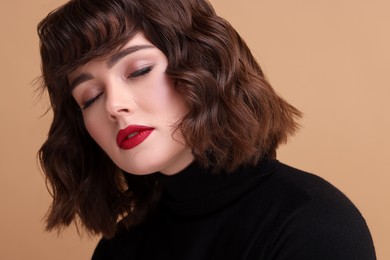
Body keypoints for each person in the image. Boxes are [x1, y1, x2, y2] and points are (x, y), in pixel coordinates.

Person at [37, 0, 376, 259]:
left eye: (138, 70)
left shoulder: (313, 223)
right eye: (90, 97)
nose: (113, 105)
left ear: (202, 64)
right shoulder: (118, 248)